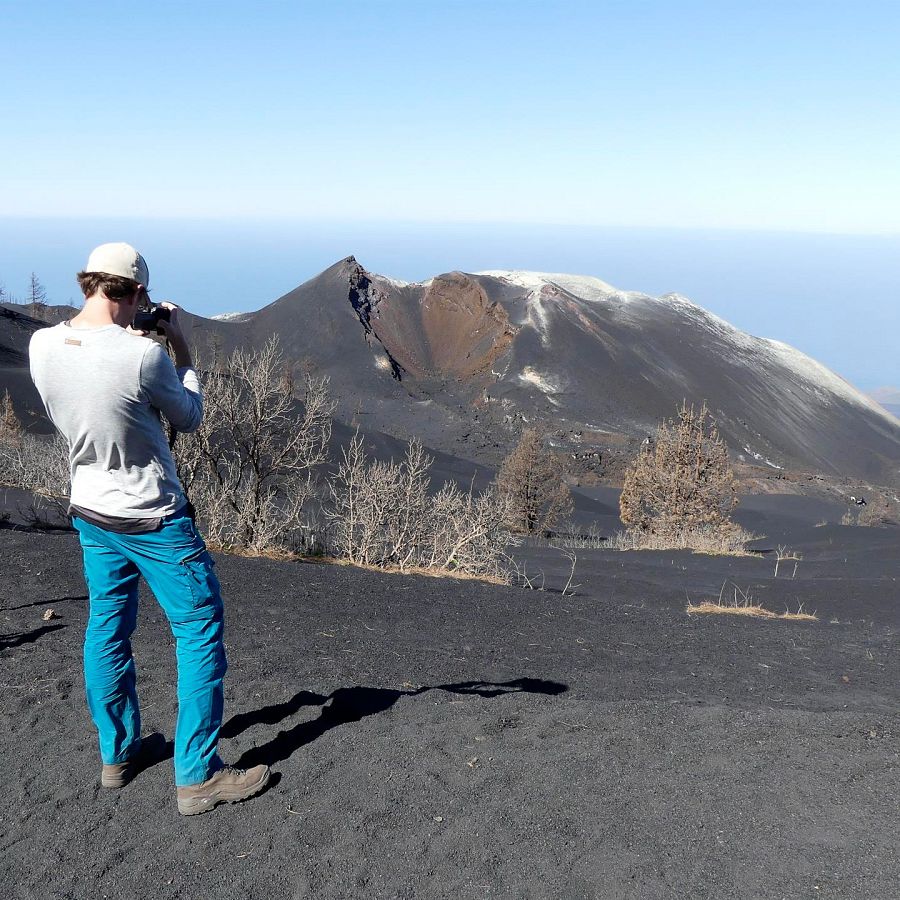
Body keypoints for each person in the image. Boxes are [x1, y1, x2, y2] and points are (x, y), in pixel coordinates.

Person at [28, 242, 270, 816]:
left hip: (90, 509)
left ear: (89, 284)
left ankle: (118, 754)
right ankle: (197, 775)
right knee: (198, 633)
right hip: (154, 517)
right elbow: (189, 415)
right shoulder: (142, 357)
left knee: (107, 628)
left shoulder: (41, 345)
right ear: (134, 293)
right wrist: (178, 343)